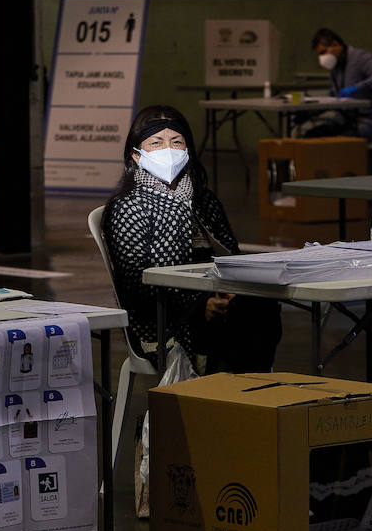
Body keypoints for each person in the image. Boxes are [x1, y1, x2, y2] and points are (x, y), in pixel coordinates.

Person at [103, 105, 281, 372]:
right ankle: (226, 398)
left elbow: (230, 254)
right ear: (137, 156)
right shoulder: (129, 207)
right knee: (241, 324)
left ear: (187, 150)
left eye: (176, 142)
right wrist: (199, 306)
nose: (168, 150)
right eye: (156, 142)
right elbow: (136, 285)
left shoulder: (202, 200)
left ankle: (247, 395)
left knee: (259, 303)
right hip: (168, 320)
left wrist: (228, 293)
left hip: (214, 300)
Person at [298, 28, 372, 143]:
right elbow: (334, 97)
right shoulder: (335, 68)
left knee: (338, 141)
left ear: (335, 44)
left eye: (323, 52)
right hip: (345, 120)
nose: (322, 58)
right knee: (311, 136)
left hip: (369, 122)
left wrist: (358, 88)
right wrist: (310, 111)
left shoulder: (360, 58)